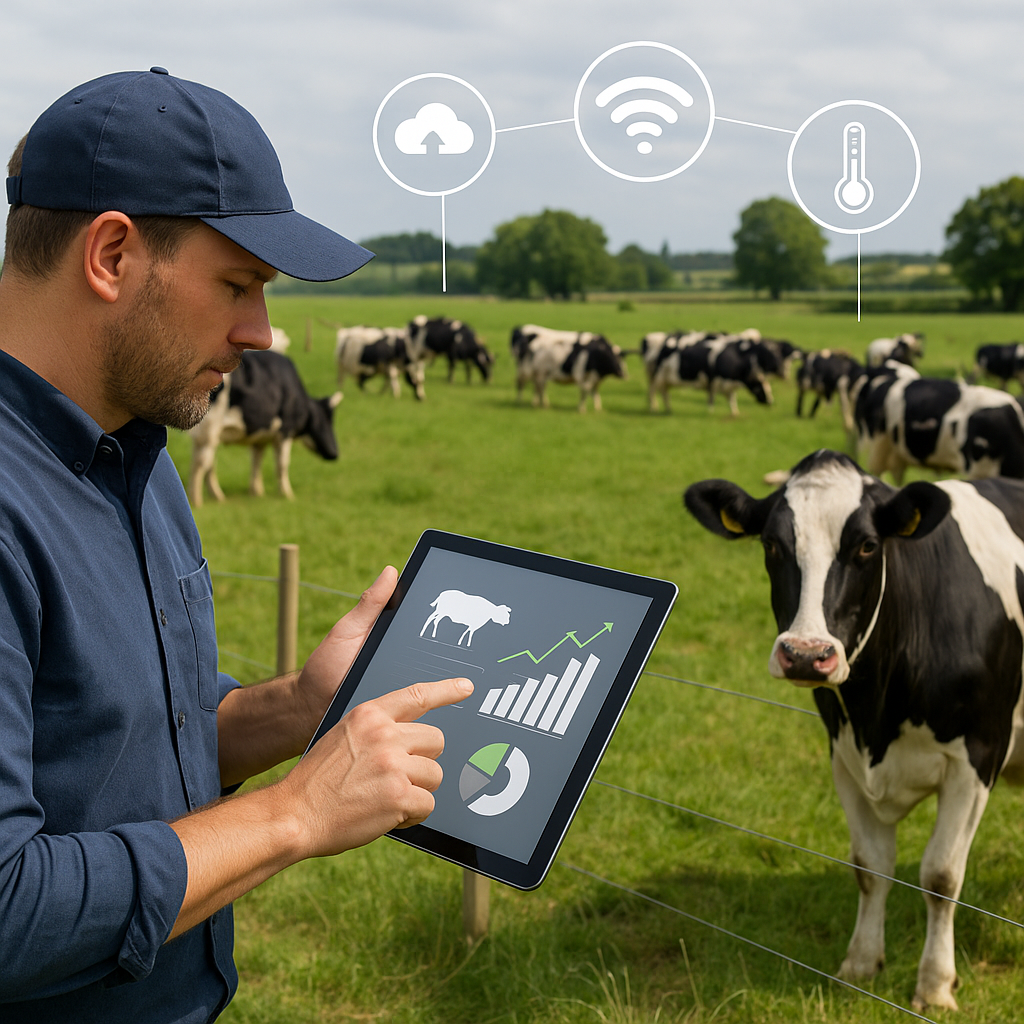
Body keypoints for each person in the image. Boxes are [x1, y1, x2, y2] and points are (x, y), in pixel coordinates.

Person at [0, 68, 472, 1022]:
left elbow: (112, 745)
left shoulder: (138, 452)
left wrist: (293, 710)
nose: (261, 331)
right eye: (238, 284)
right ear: (112, 255)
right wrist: (295, 813)